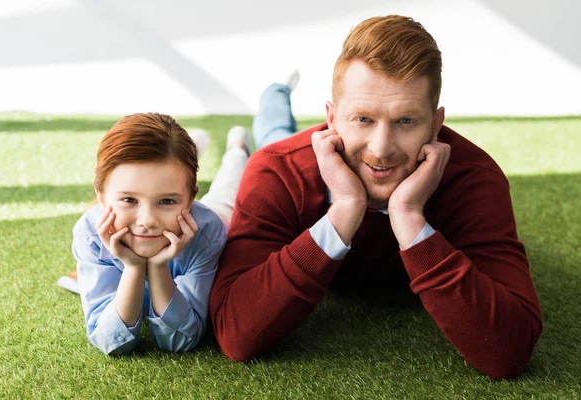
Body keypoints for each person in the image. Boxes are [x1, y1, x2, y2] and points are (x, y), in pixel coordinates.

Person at [209, 15, 542, 379]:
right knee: (274, 133)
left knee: (277, 132)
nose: (381, 149)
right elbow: (237, 333)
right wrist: (344, 211)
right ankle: (275, 94)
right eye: (363, 119)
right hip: (286, 150)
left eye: (406, 121)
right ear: (332, 119)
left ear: (436, 124)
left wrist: (409, 215)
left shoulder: (475, 179)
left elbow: (508, 352)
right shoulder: (277, 170)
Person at [69, 113, 250, 355]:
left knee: (230, 186)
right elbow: (110, 341)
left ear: (190, 199)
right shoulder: (90, 233)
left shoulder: (208, 231)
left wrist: (157, 266)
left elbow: (181, 340)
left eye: (167, 201)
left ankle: (237, 147)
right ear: (102, 197)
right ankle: (189, 153)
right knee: (166, 171)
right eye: (129, 199)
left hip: (216, 214)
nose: (147, 222)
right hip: (174, 195)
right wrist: (133, 268)